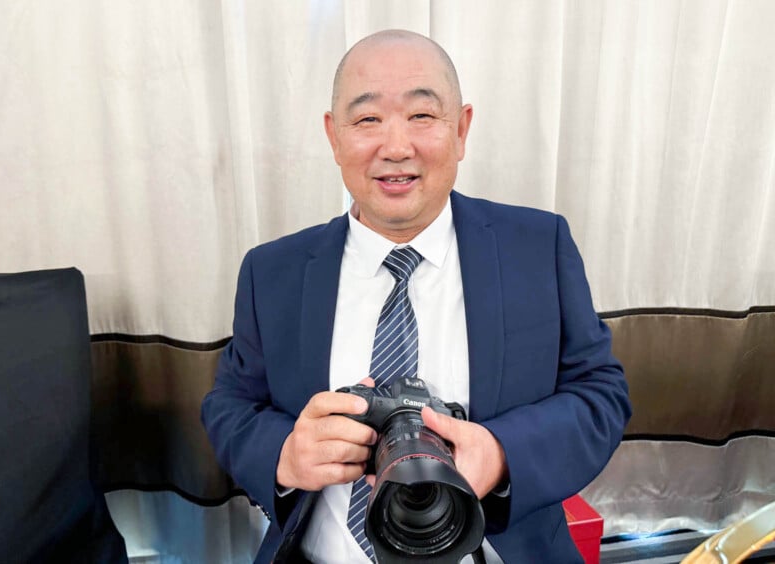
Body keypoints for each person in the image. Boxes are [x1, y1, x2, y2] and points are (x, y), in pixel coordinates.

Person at [202, 29, 632, 563]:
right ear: (334, 137)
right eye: (366, 120)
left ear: (462, 129)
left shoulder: (537, 248)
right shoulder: (273, 272)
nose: (396, 147)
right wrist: (285, 456)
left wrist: (500, 455)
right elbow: (229, 406)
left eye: (422, 116)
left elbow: (601, 395)